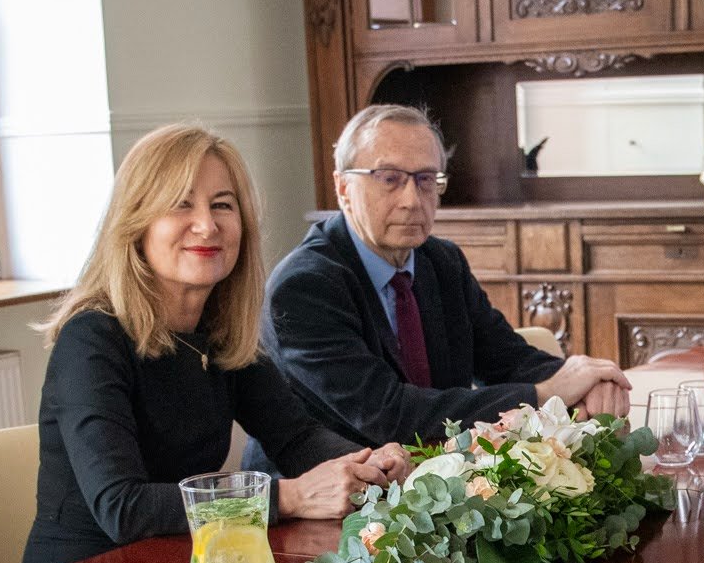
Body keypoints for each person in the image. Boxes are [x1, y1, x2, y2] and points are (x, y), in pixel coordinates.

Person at [24, 124, 411, 563]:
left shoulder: (219, 329)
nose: (207, 225)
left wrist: (369, 464)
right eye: (181, 204)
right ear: (136, 223)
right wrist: (287, 497)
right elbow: (122, 507)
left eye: (223, 205)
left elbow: (296, 437)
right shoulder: (90, 337)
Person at [253, 105, 631, 463]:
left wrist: (589, 380)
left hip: (443, 478)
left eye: (426, 180)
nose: (412, 200)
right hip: (333, 489)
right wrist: (544, 394)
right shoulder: (304, 286)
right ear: (343, 188)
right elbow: (388, 413)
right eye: (389, 179)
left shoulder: (441, 261)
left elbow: (507, 359)